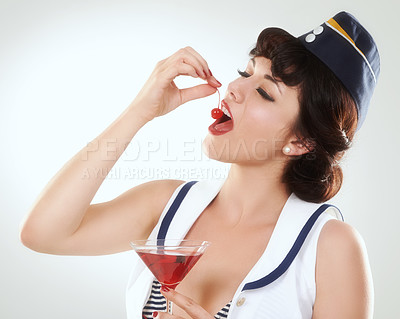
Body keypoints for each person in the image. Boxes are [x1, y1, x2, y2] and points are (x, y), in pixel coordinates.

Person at [20, 11, 379, 319]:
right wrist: (140, 111)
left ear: (301, 142)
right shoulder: (167, 204)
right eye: (247, 70)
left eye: (266, 92)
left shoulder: (330, 246)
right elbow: (44, 233)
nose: (235, 88)